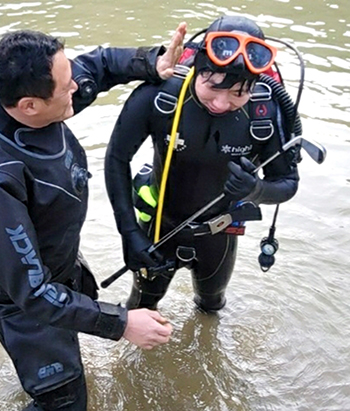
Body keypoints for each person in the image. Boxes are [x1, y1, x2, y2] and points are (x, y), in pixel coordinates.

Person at [0, 26, 187, 411]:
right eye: (66, 83)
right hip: (24, 301)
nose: (77, 84)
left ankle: (38, 384)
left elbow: (99, 64)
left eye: (69, 72)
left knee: (64, 367)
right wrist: (123, 323)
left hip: (58, 263)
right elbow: (32, 293)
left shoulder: (41, 102)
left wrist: (152, 62)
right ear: (30, 105)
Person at [104, 15, 301, 313]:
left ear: (254, 84)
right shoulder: (160, 96)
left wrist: (254, 189)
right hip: (158, 227)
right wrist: (129, 232)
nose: (222, 103)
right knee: (139, 309)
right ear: (197, 67)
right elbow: (117, 158)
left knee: (211, 308)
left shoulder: (265, 112)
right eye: (212, 86)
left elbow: (288, 183)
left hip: (218, 235)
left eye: (238, 93)